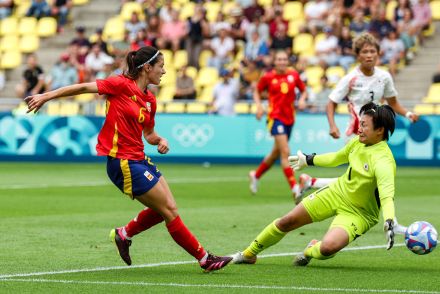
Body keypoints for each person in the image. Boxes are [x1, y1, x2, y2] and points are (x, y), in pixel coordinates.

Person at [24, 46, 232, 272]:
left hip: (139, 159)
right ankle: (204, 258)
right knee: (169, 210)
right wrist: (46, 96)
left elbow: (149, 134)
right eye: (161, 67)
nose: (164, 72)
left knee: (165, 209)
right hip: (121, 162)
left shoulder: (150, 100)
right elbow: (84, 87)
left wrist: (160, 140)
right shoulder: (120, 84)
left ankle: (124, 234)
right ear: (147, 67)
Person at [233, 102, 399, 267]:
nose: (359, 128)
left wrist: (389, 220)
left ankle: (310, 249)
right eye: (359, 123)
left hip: (360, 214)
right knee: (287, 221)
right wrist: (308, 159)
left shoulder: (383, 160)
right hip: (336, 193)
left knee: (327, 248)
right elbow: (336, 158)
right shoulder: (357, 142)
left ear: (380, 130)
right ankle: (249, 254)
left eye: (364, 125)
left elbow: (386, 195)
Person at [298, 32, 419, 200]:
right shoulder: (350, 78)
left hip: (376, 134)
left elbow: (393, 102)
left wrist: (408, 113)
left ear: (378, 53)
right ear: (357, 55)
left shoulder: (384, 77)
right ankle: (391, 223)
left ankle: (311, 182)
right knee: (367, 179)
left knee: (361, 179)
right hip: (357, 133)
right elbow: (331, 102)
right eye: (365, 52)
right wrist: (332, 125)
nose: (369, 55)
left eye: (372, 51)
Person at [248, 50, 307, 201]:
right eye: (279, 59)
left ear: (287, 61)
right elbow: (257, 91)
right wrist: (259, 106)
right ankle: (295, 187)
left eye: (284, 59)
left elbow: (303, 90)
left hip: (290, 118)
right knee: (285, 151)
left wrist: (302, 100)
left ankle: (255, 175)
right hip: (275, 118)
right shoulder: (268, 77)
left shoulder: (293, 75)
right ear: (274, 61)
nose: (281, 62)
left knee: (276, 152)